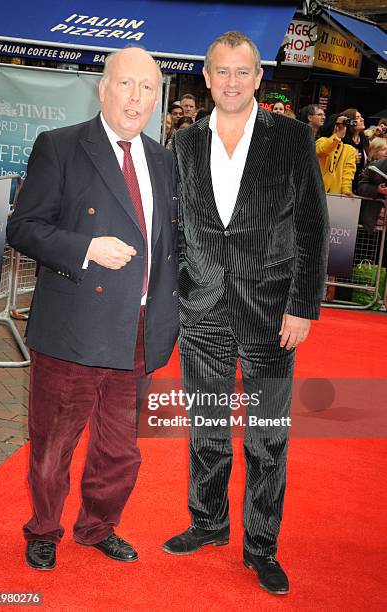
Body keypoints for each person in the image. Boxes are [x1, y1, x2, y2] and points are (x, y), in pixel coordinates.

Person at [162, 31, 329, 596]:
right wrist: (184, 284)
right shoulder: (184, 142)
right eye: (221, 72)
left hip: (270, 312)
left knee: (267, 437)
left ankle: (261, 547)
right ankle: (208, 522)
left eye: (242, 72)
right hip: (203, 310)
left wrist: (303, 306)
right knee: (206, 426)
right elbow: (179, 224)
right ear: (205, 77)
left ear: (259, 78)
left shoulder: (292, 137)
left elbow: (311, 226)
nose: (231, 82)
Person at [6, 47, 179, 571]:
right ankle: (44, 528)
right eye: (126, 85)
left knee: (120, 450)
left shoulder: (163, 160)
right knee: (54, 443)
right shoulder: (60, 146)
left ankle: (98, 527)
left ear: (158, 97)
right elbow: (23, 227)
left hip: (139, 330)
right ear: (102, 89)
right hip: (74, 328)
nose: (136, 98)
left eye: (147, 88)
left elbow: (173, 242)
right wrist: (85, 248)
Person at [316, 113, 357, 196]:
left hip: (335, 195)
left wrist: (346, 190)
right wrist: (337, 135)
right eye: (339, 125)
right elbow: (322, 151)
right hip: (316, 191)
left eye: (344, 125)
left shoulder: (350, 150)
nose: (342, 128)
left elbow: (348, 173)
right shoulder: (321, 141)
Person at [342, 108, 368, 192]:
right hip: (343, 183)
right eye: (357, 117)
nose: (362, 119)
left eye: (361, 117)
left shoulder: (364, 140)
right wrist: (350, 158)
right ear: (350, 121)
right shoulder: (343, 139)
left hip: (358, 184)